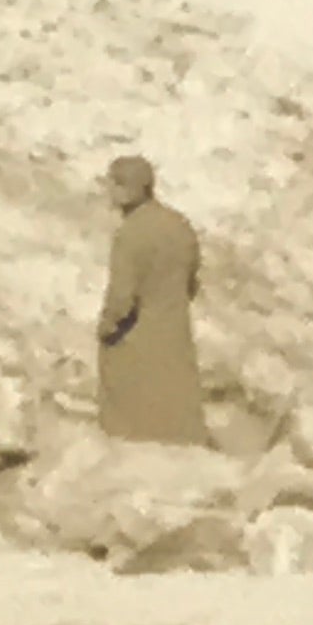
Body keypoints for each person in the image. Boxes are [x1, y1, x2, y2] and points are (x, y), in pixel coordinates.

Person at [97, 154, 208, 447]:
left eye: (112, 184)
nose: (108, 192)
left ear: (126, 188)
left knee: (133, 417)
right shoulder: (179, 224)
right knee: (177, 400)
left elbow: (122, 297)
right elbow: (192, 279)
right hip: (175, 330)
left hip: (138, 338)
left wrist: (106, 328)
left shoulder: (130, 234)